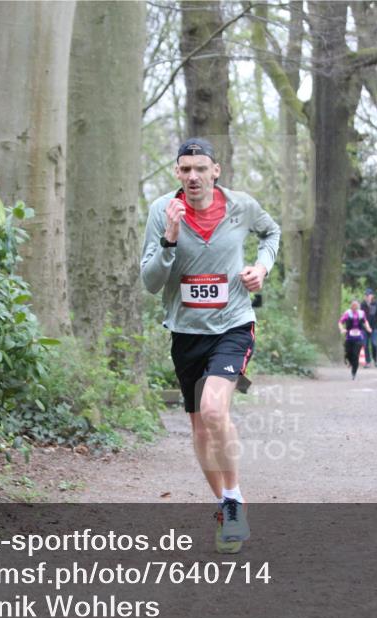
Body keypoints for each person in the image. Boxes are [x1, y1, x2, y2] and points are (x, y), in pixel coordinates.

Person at [140, 138, 280, 554]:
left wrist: (262, 267)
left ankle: (235, 500)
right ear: (177, 173)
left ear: (215, 170)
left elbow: (271, 233)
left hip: (234, 326)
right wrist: (169, 238)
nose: (193, 176)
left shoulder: (241, 206)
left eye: (201, 168)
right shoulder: (162, 211)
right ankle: (223, 504)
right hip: (185, 333)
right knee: (200, 427)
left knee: (215, 409)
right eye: (185, 170)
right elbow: (150, 282)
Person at [339, 300, 372, 380]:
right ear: (351, 307)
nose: (354, 309)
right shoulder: (347, 313)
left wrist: (368, 327)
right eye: (353, 307)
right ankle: (349, 362)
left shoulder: (361, 313)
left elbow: (365, 321)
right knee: (348, 353)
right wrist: (342, 329)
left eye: (356, 307)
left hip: (358, 337)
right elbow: (340, 322)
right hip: (349, 337)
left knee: (356, 355)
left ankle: (354, 373)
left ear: (358, 307)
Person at [360, 288, 377, 367]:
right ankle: (368, 362)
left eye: (368, 295)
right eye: (366, 295)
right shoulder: (362, 305)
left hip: (374, 328)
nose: (367, 296)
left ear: (372, 296)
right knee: (365, 344)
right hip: (364, 328)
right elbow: (360, 318)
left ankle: (375, 360)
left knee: (374, 344)